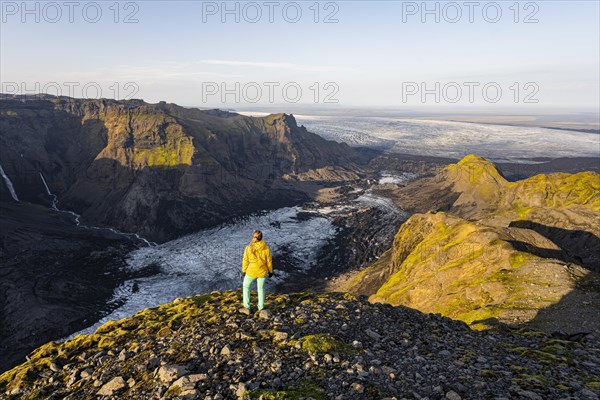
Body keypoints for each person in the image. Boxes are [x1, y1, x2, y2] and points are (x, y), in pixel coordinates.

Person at [241, 230, 273, 311]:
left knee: (246, 286)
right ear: (261, 237)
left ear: (253, 237)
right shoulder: (266, 248)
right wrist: (270, 271)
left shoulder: (248, 248)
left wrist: (243, 271)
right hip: (262, 272)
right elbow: (269, 261)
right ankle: (261, 307)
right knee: (261, 289)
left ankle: (247, 306)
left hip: (251, 271)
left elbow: (245, 260)